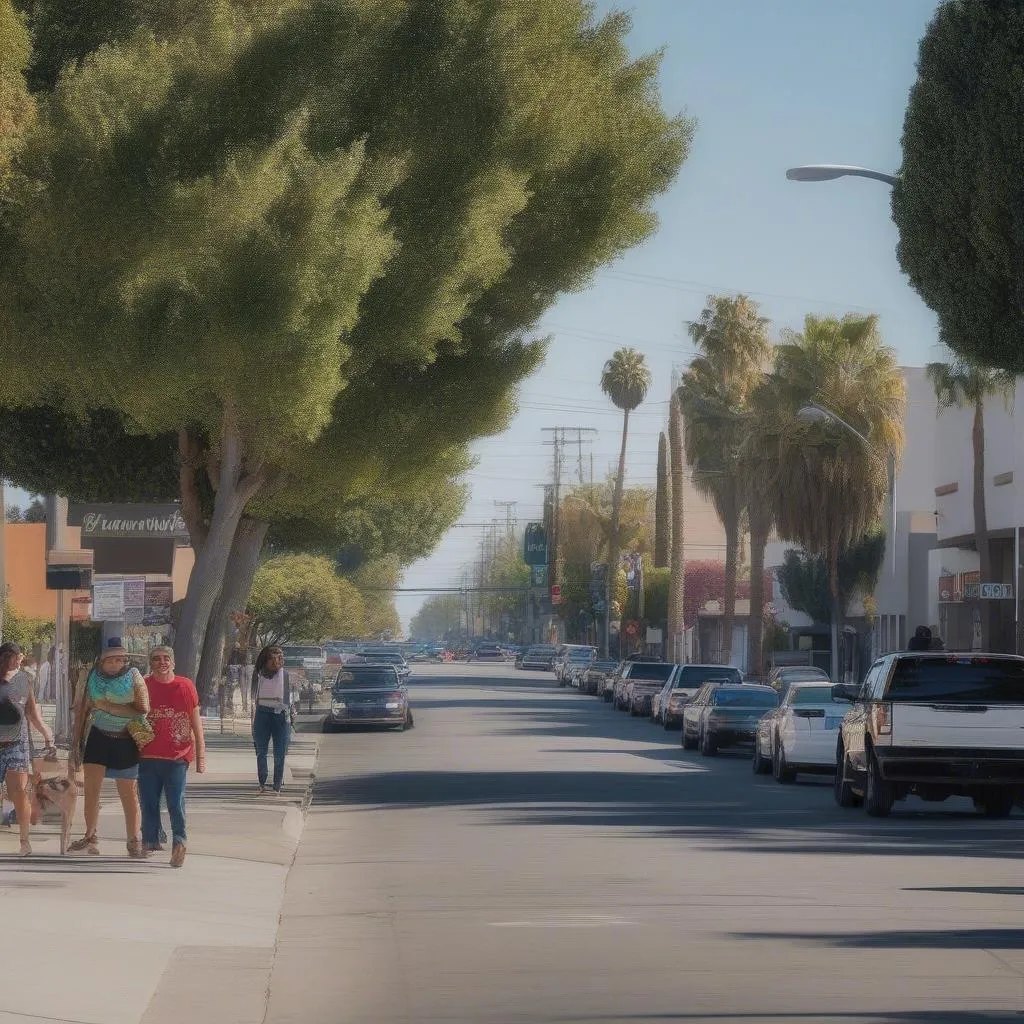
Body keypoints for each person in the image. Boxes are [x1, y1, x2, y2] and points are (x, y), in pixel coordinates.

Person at [68, 638, 150, 857]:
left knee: (128, 792)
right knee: (92, 790)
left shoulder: (133, 676)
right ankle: (90, 833)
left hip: (125, 738)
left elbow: (142, 709)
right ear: (103, 660)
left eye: (120, 660)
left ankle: (133, 839)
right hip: (98, 737)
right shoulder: (91, 676)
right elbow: (82, 711)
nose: (116, 664)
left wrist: (107, 706)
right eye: (112, 660)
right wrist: (75, 743)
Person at [139, 646, 205, 867]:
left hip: (178, 755)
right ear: (151, 663)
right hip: (147, 755)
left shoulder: (185, 686)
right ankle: (150, 840)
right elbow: (132, 717)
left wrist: (201, 756)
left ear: (173, 663)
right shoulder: (144, 686)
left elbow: (196, 721)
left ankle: (179, 841)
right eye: (156, 659)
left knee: (175, 802)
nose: (162, 663)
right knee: (148, 801)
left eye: (166, 659)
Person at [0, 643, 54, 854]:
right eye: (10, 656)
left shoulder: (24, 680)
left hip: (16, 744)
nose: (15, 660)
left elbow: (32, 713)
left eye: (18, 656)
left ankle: (24, 840)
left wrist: (47, 734)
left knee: (18, 792)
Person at [250, 645, 292, 795]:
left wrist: (288, 720)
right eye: (273, 659)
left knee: (279, 752)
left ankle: (277, 786)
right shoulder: (258, 675)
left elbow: (287, 700)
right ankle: (262, 782)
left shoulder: (284, 675)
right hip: (262, 714)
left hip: (280, 715)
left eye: (279, 658)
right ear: (265, 660)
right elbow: (253, 699)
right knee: (261, 751)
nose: (277, 662)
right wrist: (252, 721)